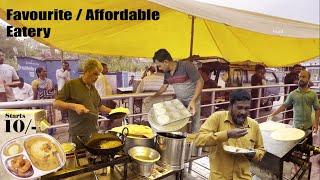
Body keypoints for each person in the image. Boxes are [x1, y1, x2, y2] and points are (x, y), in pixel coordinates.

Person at [194, 89, 265, 180]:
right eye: (239, 108)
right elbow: (199, 140)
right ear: (230, 106)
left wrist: (252, 154)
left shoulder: (254, 125)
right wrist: (227, 134)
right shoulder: (217, 118)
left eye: (246, 108)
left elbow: (261, 151)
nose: (243, 112)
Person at [53, 59, 113, 148]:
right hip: (78, 135)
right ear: (86, 71)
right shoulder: (71, 84)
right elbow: (56, 103)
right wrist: (74, 106)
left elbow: (99, 106)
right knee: (79, 159)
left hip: (93, 133)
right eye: (95, 73)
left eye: (98, 74)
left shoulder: (93, 89)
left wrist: (114, 111)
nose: (97, 77)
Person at [153, 49, 204, 132]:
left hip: (193, 100)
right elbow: (164, 86)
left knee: (195, 124)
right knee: (180, 124)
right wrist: (153, 96)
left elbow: (200, 82)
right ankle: (183, 141)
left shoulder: (186, 65)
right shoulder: (167, 73)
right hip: (180, 101)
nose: (159, 68)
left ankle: (195, 143)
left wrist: (193, 100)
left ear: (166, 62)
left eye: (159, 66)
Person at [32, 67, 56, 134]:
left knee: (51, 117)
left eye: (45, 71)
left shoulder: (49, 81)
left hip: (49, 102)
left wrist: (54, 101)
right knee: (43, 117)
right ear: (38, 73)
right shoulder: (35, 82)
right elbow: (35, 94)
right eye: (43, 71)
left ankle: (51, 131)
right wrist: (34, 104)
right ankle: (44, 132)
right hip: (41, 103)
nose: (45, 72)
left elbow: (52, 92)